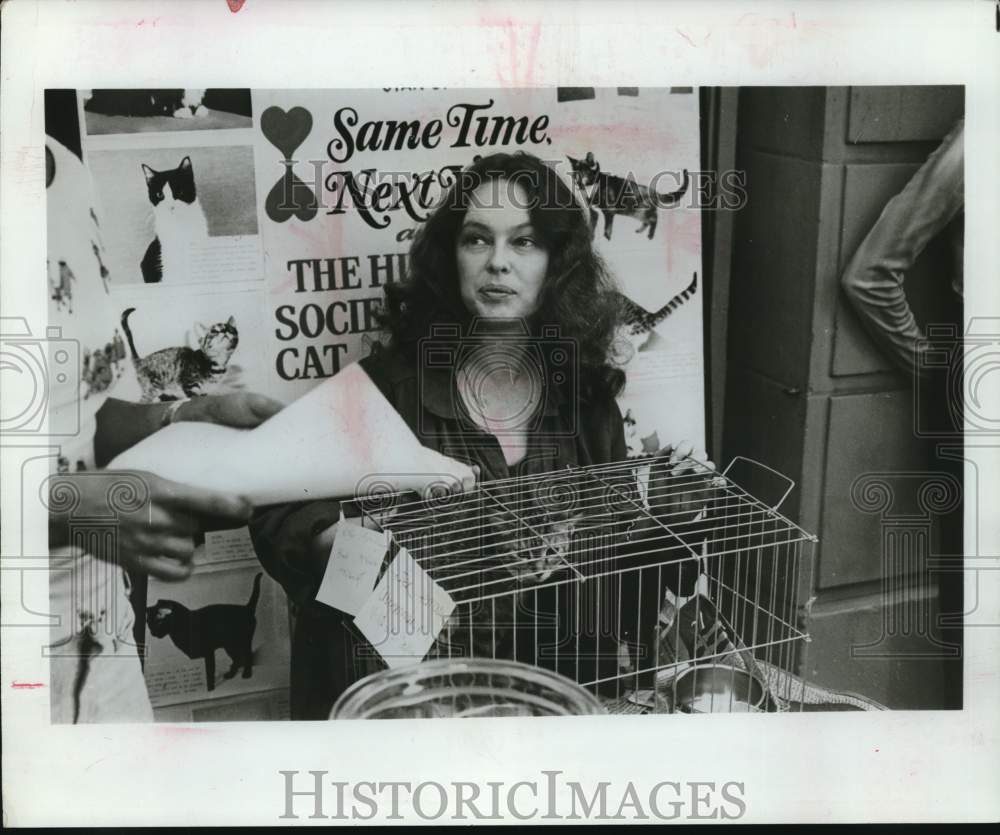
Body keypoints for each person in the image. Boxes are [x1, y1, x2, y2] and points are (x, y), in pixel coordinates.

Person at [249, 151, 712, 719]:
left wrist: (670, 510)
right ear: (452, 255)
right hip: (399, 706)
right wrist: (354, 545)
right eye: (476, 239)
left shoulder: (584, 400)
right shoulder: (385, 388)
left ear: (558, 262)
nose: (497, 264)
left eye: (524, 242)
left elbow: (610, 556)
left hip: (538, 698)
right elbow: (276, 512)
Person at [45, 131, 284, 723]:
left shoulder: (66, 176)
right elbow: (72, 493)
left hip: (103, 636)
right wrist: (69, 509)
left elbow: (81, 415)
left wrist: (180, 415)